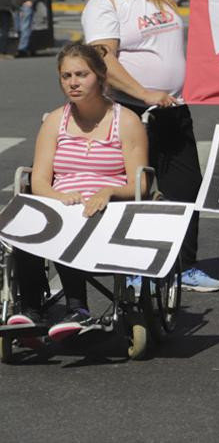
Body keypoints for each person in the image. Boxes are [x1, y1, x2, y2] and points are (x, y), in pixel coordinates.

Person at [81, 0, 219, 292]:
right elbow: (103, 58)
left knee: (187, 187)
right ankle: (134, 267)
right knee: (136, 190)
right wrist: (144, 92)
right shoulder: (105, 2)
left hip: (173, 107)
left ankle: (185, 266)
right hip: (130, 110)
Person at [7, 43, 148, 340]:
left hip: (107, 206)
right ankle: (31, 309)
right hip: (61, 204)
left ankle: (78, 308)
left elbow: (140, 183)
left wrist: (109, 191)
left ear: (99, 75)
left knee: (73, 224)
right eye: (66, 76)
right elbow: (40, 180)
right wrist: (60, 199)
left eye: (81, 74)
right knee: (25, 228)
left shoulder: (127, 121)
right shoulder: (56, 120)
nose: (73, 82)